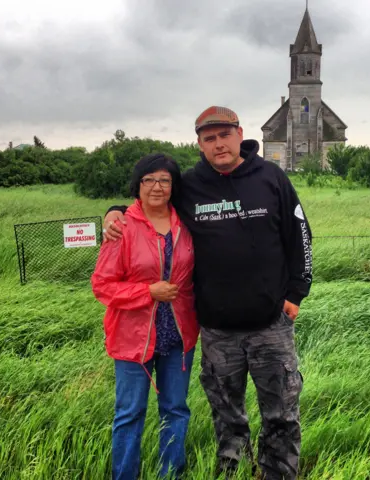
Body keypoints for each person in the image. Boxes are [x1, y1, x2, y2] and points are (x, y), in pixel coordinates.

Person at [103, 106, 313, 480]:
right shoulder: (192, 185)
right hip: (216, 331)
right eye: (209, 138)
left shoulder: (272, 177)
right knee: (228, 416)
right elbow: (151, 200)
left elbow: (301, 234)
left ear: (239, 134)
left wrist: (296, 293)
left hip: (271, 326)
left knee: (280, 413)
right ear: (199, 144)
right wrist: (114, 211)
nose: (218, 144)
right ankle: (232, 472)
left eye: (224, 135)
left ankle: (278, 474)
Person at [91, 153, 199, 480]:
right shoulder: (121, 227)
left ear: (173, 186)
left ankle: (171, 474)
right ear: (137, 185)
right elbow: (102, 285)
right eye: (149, 180)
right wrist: (147, 293)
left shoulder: (187, 222)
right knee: (129, 414)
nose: (156, 187)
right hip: (132, 338)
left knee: (176, 411)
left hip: (178, 336)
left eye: (164, 180)